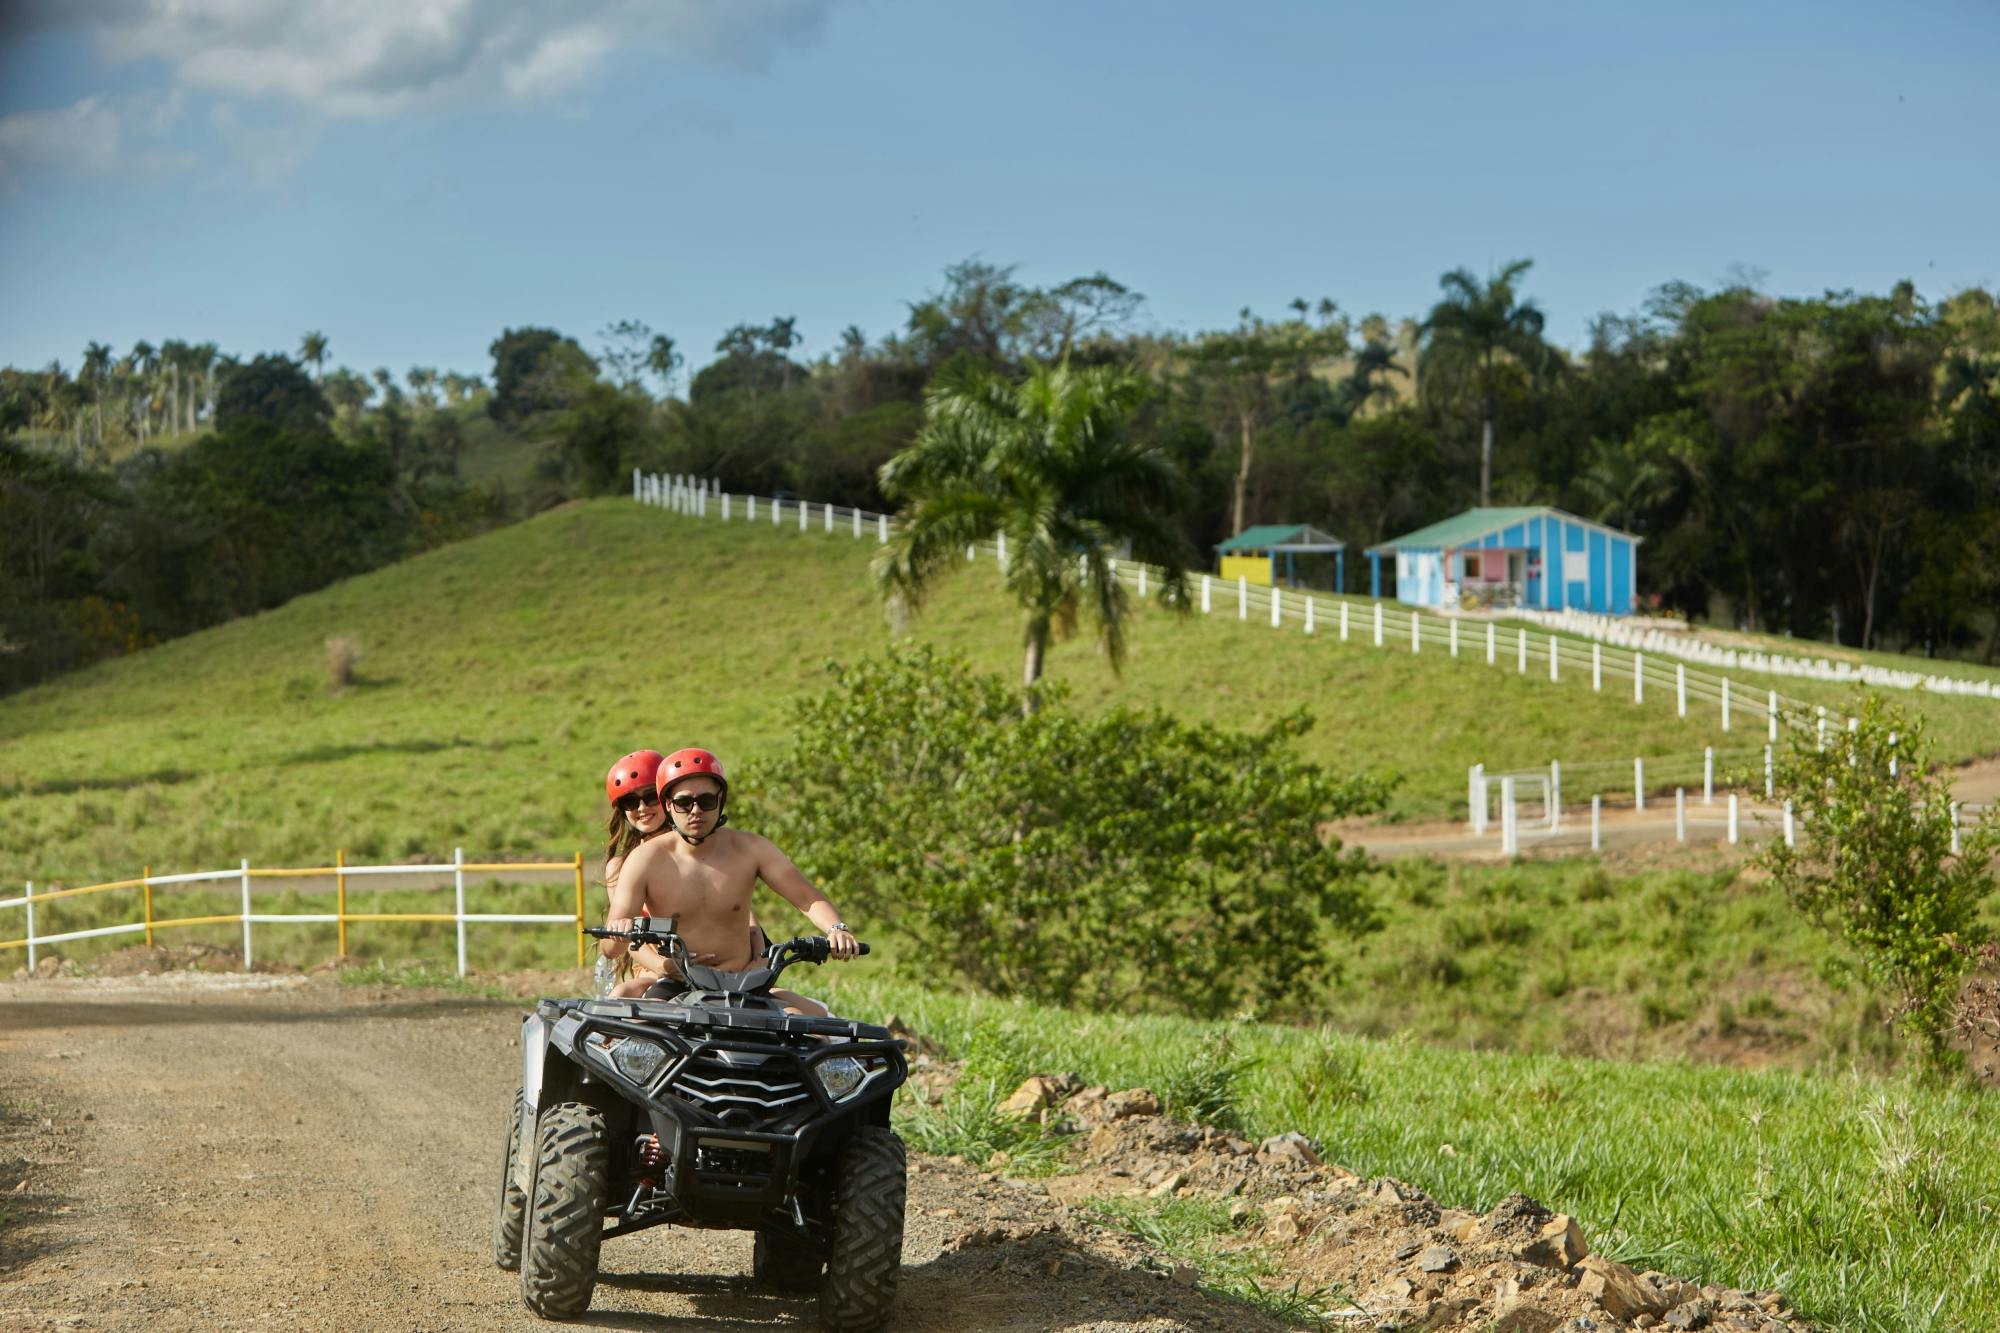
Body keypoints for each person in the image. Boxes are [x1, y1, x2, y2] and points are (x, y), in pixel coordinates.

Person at [610, 747, 857, 1013]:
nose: (695, 811)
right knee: (638, 1025)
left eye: (706, 801)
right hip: (677, 981)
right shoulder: (643, 859)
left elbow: (807, 898)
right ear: (669, 805)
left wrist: (836, 929)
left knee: (813, 1030)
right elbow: (609, 948)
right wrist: (619, 932)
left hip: (746, 983)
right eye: (684, 802)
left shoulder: (752, 849)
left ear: (721, 800)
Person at [597, 749, 763, 999]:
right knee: (621, 997)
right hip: (657, 968)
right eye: (630, 802)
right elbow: (628, 936)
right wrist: (663, 968)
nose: (642, 808)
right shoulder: (622, 866)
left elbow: (738, 911)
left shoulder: (702, 845)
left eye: (650, 797)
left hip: (727, 970)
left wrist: (759, 961)